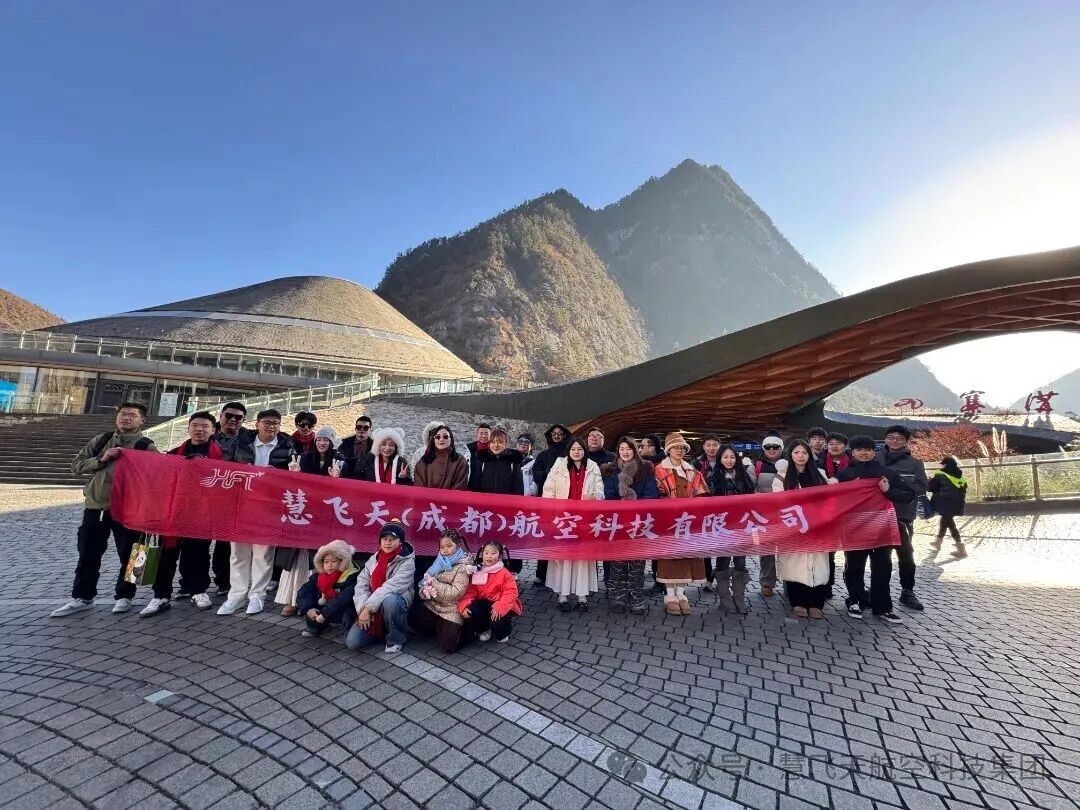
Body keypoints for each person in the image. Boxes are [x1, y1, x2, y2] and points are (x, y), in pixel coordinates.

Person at [51, 402, 158, 617]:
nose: (126, 418)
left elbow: (157, 476)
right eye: (123, 414)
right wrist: (101, 459)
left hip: (129, 510)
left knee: (133, 555)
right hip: (97, 506)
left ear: (142, 420)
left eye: (132, 415)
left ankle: (126, 596)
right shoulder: (101, 440)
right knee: (88, 554)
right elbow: (76, 466)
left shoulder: (146, 446)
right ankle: (82, 596)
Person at [141, 411, 221, 617]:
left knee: (198, 554)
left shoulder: (222, 455)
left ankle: (198, 591)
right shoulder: (175, 453)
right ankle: (160, 595)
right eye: (195, 425)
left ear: (213, 430)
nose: (199, 429)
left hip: (202, 513)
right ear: (188, 428)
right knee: (166, 555)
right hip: (173, 513)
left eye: (205, 426)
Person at [217, 409, 295, 616]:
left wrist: (278, 475)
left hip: (270, 506)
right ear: (257, 424)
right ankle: (236, 595)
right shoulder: (241, 443)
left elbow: (295, 475)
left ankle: (257, 596)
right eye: (267, 422)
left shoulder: (287, 446)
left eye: (276, 423)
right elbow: (226, 466)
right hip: (241, 504)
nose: (271, 426)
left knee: (263, 554)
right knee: (238, 553)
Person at [837, 435, 915, 623]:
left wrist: (888, 491)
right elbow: (834, 501)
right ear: (852, 452)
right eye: (859, 450)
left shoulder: (886, 473)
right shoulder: (844, 475)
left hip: (882, 528)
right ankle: (855, 600)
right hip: (855, 527)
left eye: (868, 449)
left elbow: (909, 495)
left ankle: (883, 607)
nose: (864, 453)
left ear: (874, 452)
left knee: (882, 567)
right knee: (854, 566)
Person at [276, 426, 341, 616]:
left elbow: (343, 491)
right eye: (319, 439)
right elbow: (293, 488)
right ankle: (291, 599)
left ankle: (315, 600)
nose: (322, 442)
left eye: (326, 440)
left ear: (331, 442)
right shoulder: (303, 458)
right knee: (298, 557)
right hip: (303, 511)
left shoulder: (339, 460)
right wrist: (295, 475)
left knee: (320, 558)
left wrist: (336, 479)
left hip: (324, 514)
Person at [772, 440, 833, 619]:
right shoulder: (782, 476)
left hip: (817, 527)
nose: (800, 456)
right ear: (790, 455)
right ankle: (798, 601)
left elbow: (830, 498)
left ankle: (816, 602)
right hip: (794, 526)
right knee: (794, 564)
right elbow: (778, 501)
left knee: (818, 565)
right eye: (797, 452)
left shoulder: (820, 474)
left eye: (804, 453)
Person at [543, 436, 604, 611]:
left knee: (582, 558)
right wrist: (553, 512)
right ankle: (562, 596)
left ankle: (582, 596)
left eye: (580, 449)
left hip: (585, 520)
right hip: (563, 520)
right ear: (568, 451)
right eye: (573, 449)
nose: (576, 452)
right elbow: (548, 491)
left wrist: (595, 497)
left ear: (585, 451)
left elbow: (601, 491)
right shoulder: (558, 466)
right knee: (564, 557)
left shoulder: (593, 467)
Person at [601, 437, 658, 615]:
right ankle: (617, 597)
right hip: (617, 523)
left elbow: (651, 494)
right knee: (617, 562)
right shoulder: (610, 470)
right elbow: (608, 494)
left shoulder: (645, 469)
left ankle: (636, 597)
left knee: (637, 563)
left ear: (635, 450)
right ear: (618, 451)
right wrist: (622, 506)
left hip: (639, 523)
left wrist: (634, 505)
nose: (625, 452)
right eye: (622, 449)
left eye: (629, 448)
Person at [654, 432, 709, 615]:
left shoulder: (693, 471)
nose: (679, 450)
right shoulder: (659, 470)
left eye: (682, 448)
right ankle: (670, 595)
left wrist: (696, 510)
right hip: (668, 521)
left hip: (688, 521)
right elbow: (656, 495)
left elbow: (702, 494)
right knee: (669, 557)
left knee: (686, 556)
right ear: (668, 451)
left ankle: (681, 593)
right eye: (675, 448)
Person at [878, 425, 928, 611]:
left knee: (906, 556)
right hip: (877, 514)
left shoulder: (915, 463)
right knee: (881, 557)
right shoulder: (876, 459)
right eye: (891, 437)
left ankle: (907, 591)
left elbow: (922, 487)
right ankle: (878, 590)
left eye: (899, 438)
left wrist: (896, 488)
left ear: (906, 441)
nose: (894, 441)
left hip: (902, 515)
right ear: (885, 439)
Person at [346, 519, 415, 654]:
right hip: (372, 605)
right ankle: (381, 629)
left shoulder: (407, 561)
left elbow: (390, 587)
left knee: (391, 600)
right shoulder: (374, 559)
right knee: (352, 643)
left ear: (400, 541)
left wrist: (369, 608)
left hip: (394, 602)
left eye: (392, 539)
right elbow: (361, 585)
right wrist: (362, 609)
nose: (388, 542)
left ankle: (396, 638)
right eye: (384, 539)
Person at [412, 424, 468, 583]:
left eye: (445, 436)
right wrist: (430, 504)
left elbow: (460, 486)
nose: (441, 439)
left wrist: (444, 503)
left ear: (451, 439)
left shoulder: (460, 461)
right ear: (433, 439)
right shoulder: (424, 461)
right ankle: (421, 586)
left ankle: (445, 588)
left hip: (449, 514)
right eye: (437, 437)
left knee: (447, 551)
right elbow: (419, 486)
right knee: (424, 554)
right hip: (427, 515)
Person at [209, 401, 254, 594]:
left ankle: (224, 581)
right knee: (197, 542)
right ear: (220, 416)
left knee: (226, 543)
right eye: (229, 416)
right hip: (206, 496)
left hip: (235, 498)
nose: (233, 420)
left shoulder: (249, 439)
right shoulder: (207, 435)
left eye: (238, 417)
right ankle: (192, 585)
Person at [409, 529, 473, 653]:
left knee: (448, 647)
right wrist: (425, 590)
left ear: (458, 545)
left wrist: (434, 584)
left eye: (449, 546)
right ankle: (438, 628)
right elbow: (426, 579)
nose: (445, 550)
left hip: (452, 607)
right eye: (442, 547)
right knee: (412, 617)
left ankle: (466, 633)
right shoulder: (439, 560)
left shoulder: (464, 565)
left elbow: (456, 593)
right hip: (434, 604)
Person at [710, 444, 756, 613]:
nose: (729, 460)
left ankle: (739, 597)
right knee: (723, 559)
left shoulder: (744, 476)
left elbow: (751, 498)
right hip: (722, 525)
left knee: (740, 560)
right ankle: (724, 599)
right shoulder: (713, 477)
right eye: (725, 457)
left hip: (741, 525)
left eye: (732, 457)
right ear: (720, 459)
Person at [528, 424, 571, 587]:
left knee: (563, 538)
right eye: (554, 433)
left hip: (565, 503)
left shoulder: (569, 455)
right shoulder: (543, 455)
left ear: (565, 436)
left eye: (560, 433)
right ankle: (542, 573)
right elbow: (536, 474)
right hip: (546, 503)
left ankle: (561, 576)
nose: (557, 436)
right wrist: (551, 475)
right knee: (545, 538)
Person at [459, 540, 522, 644]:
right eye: (486, 552)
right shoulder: (478, 570)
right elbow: (470, 591)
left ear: (499, 556)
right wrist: (464, 605)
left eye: (493, 553)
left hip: (499, 603)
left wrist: (500, 607)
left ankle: (502, 632)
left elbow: (511, 593)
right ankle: (484, 629)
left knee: (498, 618)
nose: (489, 556)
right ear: (482, 554)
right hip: (483, 603)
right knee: (472, 610)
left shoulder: (505, 573)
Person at [296, 540, 360, 638]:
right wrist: (308, 608)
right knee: (310, 604)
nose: (329, 565)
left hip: (342, 608)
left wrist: (325, 613)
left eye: (334, 561)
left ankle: (350, 631)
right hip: (326, 607)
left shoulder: (352, 577)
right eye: (326, 562)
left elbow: (344, 598)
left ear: (343, 562)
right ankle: (317, 627)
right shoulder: (319, 576)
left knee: (348, 611)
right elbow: (305, 591)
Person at [754, 434, 785, 598]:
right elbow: (750, 487)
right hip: (764, 514)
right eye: (767, 447)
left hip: (786, 513)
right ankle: (767, 582)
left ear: (781, 448)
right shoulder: (757, 465)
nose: (771, 450)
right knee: (766, 549)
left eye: (775, 446)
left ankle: (789, 581)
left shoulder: (790, 464)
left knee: (787, 549)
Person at [693, 434, 722, 590]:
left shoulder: (725, 460)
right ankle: (707, 577)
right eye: (708, 445)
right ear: (703, 447)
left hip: (722, 509)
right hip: (703, 509)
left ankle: (721, 575)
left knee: (722, 544)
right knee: (706, 544)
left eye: (715, 445)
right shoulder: (696, 464)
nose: (711, 448)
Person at [345, 427, 411, 485]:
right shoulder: (367, 460)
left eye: (391, 445)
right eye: (384, 444)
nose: (387, 448)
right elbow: (355, 479)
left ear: (396, 447)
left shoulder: (401, 463)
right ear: (378, 445)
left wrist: (404, 478)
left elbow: (408, 486)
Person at [469, 428, 524, 496]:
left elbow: (518, 487)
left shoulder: (513, 461)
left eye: (500, 442)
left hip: (506, 500)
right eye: (493, 442)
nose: (496, 445)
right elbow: (475, 484)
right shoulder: (482, 459)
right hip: (484, 500)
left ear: (505, 444)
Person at [929, 457, 967, 549]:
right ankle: (937, 542)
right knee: (944, 521)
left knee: (950, 525)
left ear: (946, 465)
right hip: (958, 503)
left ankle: (960, 546)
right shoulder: (960, 476)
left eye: (943, 464)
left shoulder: (940, 475)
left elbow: (931, 488)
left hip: (944, 504)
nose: (942, 466)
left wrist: (929, 481)